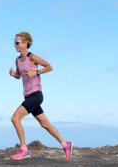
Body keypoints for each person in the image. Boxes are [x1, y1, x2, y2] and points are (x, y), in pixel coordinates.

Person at [9, 31, 73, 161]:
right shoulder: (17, 60)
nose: (14, 45)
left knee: (15, 118)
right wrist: (12, 74)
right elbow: (19, 76)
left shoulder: (32, 57)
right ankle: (65, 144)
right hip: (28, 96)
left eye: (17, 42)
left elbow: (50, 67)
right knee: (45, 124)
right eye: (14, 43)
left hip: (36, 95)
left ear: (25, 43)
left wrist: (36, 72)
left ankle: (24, 149)